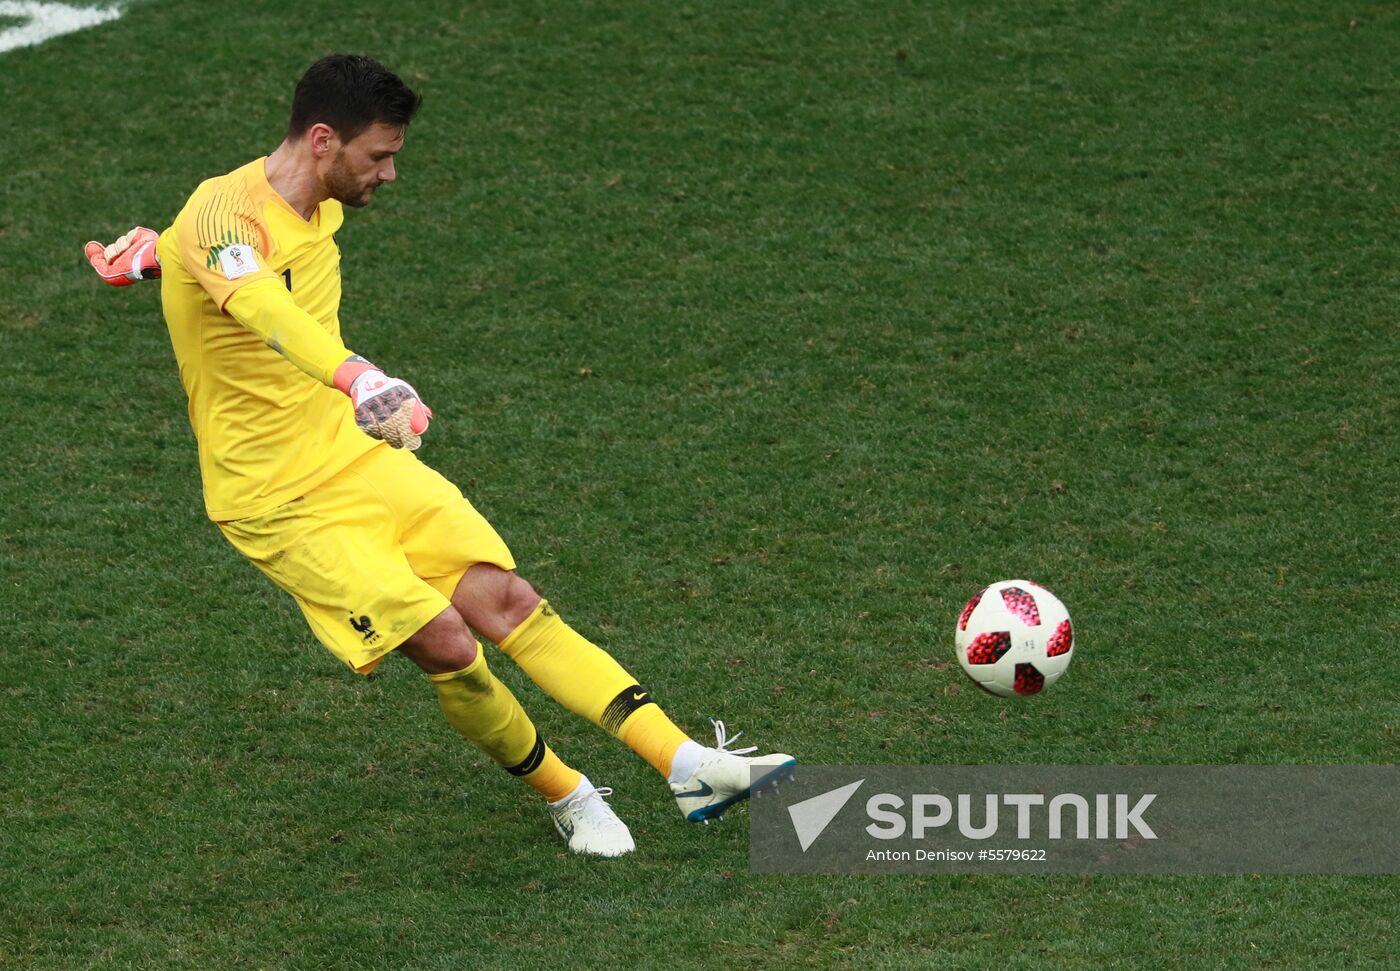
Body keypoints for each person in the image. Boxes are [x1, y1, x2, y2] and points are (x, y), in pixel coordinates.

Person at [85, 53, 794, 857]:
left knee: (508, 599)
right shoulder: (220, 214)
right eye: (378, 155)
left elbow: (218, 255)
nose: (389, 173)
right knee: (450, 641)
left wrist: (154, 254)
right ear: (323, 139)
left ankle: (687, 761)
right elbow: (257, 302)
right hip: (276, 499)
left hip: (351, 454)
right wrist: (362, 377)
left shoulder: (282, 210)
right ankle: (570, 792)